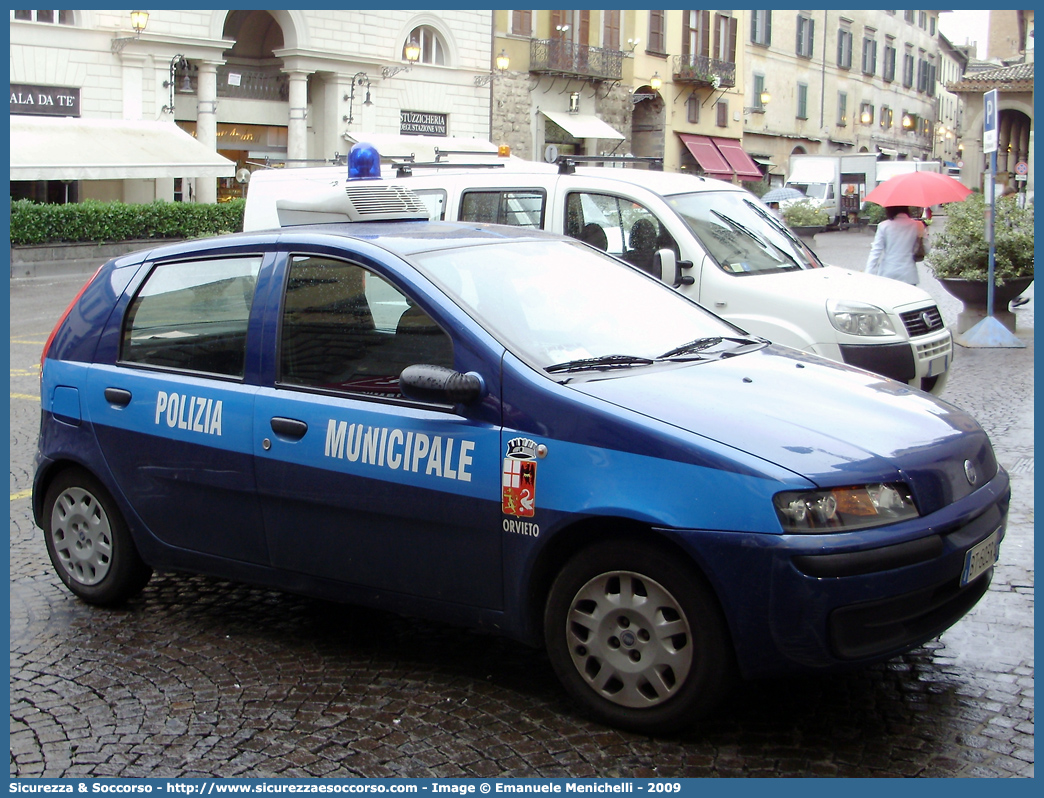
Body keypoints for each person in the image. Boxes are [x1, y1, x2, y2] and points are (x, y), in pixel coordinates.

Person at [864, 205, 924, 285]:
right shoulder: (917, 225)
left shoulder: (884, 226)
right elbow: (926, 248)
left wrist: (868, 274)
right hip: (908, 273)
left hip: (888, 272)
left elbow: (875, 251)